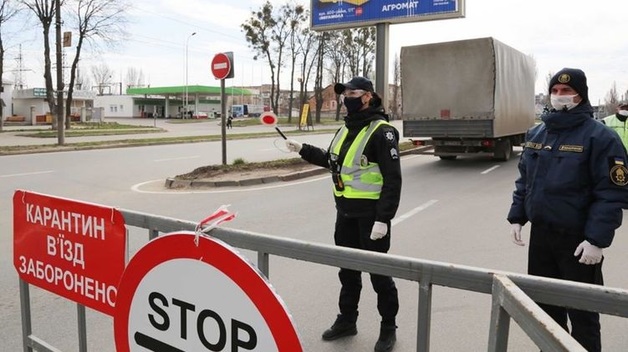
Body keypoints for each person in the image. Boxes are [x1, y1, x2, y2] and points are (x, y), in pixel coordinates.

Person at [507, 68, 628, 352]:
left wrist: (596, 240)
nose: (561, 96)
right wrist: (517, 216)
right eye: (556, 91)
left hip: (579, 243)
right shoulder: (537, 132)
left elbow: (611, 193)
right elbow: (525, 179)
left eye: (567, 91)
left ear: (580, 95)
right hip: (542, 239)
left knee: (582, 314)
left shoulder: (601, 137)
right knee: (545, 312)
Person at [285, 76, 401, 352]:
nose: (346, 96)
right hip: (345, 214)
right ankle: (347, 320)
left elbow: (392, 180)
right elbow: (333, 161)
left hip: (371, 218)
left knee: (379, 275)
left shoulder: (382, 132)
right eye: (344, 92)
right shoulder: (346, 129)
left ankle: (388, 328)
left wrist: (383, 219)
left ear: (368, 97)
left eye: (353, 91)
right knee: (347, 272)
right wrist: (303, 149)